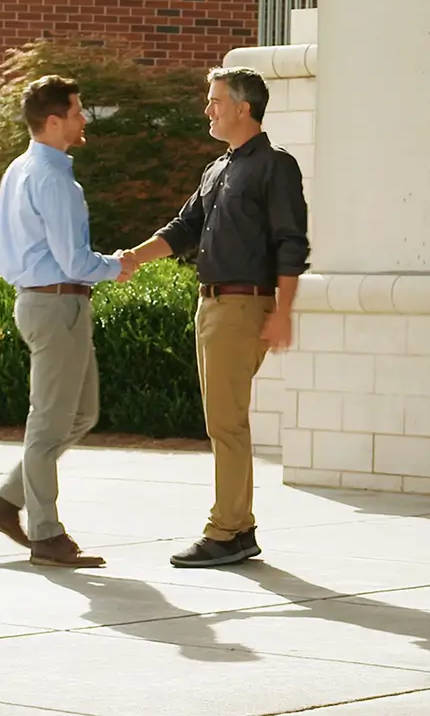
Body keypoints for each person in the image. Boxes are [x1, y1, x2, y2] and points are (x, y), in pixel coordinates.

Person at [122, 66, 310, 568]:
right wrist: (132, 259)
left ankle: (226, 530)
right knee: (222, 421)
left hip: (244, 304)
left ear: (243, 108)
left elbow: (292, 244)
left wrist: (283, 312)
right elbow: (184, 228)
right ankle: (239, 528)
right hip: (211, 305)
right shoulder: (217, 169)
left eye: (216, 101)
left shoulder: (275, 166)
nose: (208, 110)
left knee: (226, 423)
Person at [0, 74, 136, 568]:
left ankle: (7, 501)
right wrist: (117, 266)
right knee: (48, 425)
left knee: (80, 414)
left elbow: (6, 252)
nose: (83, 119)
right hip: (57, 303)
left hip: (44, 302)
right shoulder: (53, 178)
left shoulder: (21, 168)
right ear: (53, 121)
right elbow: (73, 259)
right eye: (76, 111)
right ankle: (47, 536)